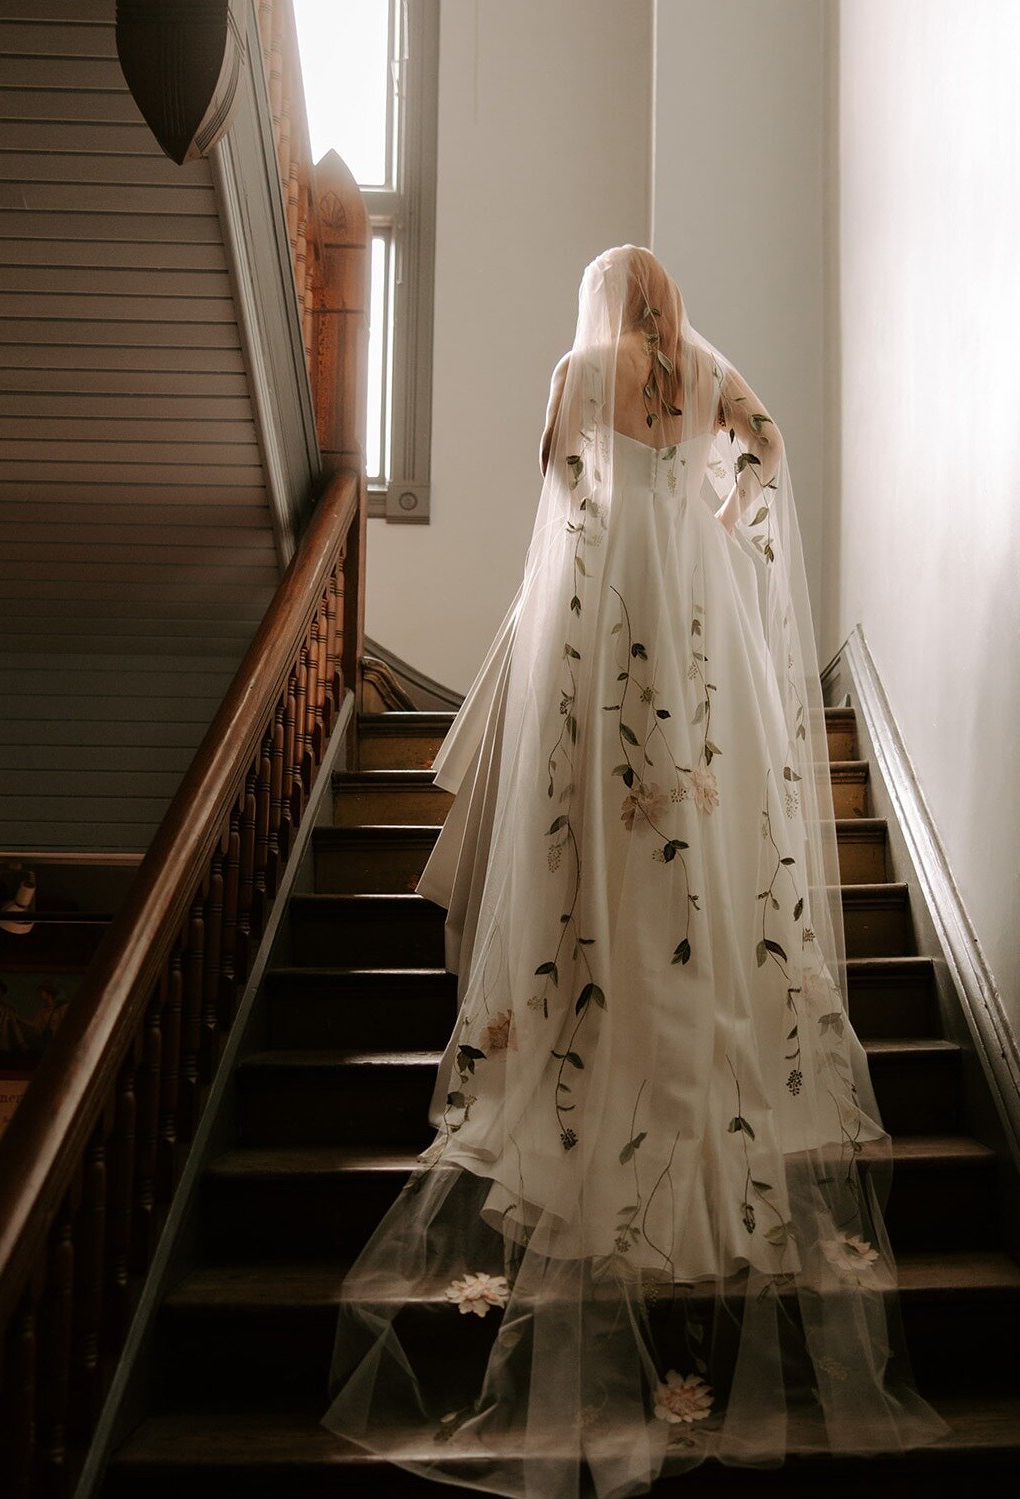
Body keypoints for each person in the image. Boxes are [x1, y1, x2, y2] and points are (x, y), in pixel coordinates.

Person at [323, 245, 948, 1497]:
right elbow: (766, 448)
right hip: (696, 616)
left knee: (604, 838)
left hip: (609, 613)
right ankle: (691, 1074)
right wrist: (720, 517)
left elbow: (555, 494)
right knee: (699, 835)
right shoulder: (708, 370)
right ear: (670, 304)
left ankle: (598, 1027)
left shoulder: (580, 368)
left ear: (605, 302)